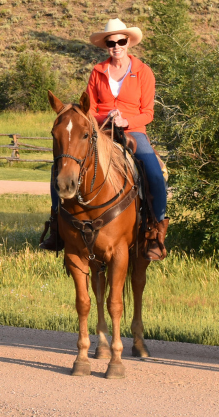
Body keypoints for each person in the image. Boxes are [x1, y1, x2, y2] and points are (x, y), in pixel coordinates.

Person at [38, 19, 169, 259]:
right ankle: (57, 226)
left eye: (121, 41)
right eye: (111, 42)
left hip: (133, 131)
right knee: (61, 167)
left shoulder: (143, 72)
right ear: (106, 45)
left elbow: (148, 113)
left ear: (128, 42)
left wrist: (125, 120)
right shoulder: (97, 72)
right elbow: (89, 110)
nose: (116, 46)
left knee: (153, 171)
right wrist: (105, 116)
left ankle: (156, 231)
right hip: (101, 130)